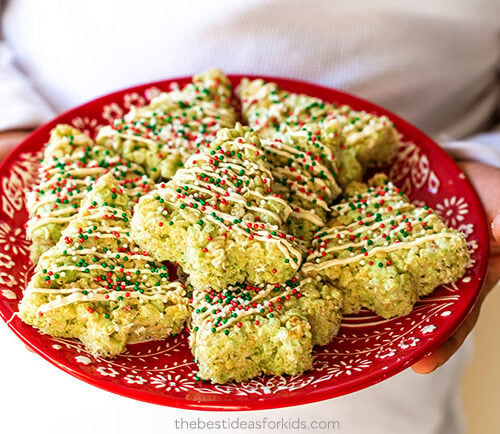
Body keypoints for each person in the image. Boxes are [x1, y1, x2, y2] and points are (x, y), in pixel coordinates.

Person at [0, 1, 499, 433]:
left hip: (383, 402)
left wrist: (487, 159)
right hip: (54, 120)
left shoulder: (268, 181)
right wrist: (8, 126)